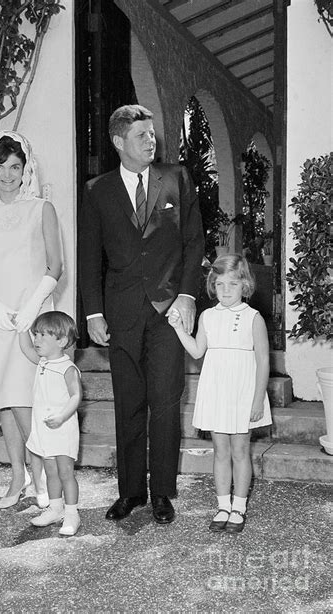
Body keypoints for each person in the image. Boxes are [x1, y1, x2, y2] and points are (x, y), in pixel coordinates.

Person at [79, 104, 205, 524]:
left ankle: (162, 493)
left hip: (170, 311)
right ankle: (131, 492)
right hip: (122, 312)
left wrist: (187, 296)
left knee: (166, 403)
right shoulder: (97, 190)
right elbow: (88, 258)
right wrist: (93, 313)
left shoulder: (177, 179)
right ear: (119, 142)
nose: (151, 141)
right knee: (129, 403)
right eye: (141, 136)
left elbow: (193, 243)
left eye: (152, 134)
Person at [0, 131, 63, 510]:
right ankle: (17, 477)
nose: (7, 174)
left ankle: (41, 477)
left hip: (33, 315)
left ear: (26, 169)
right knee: (6, 400)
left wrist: (29, 310)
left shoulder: (42, 208)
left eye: (14, 167)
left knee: (27, 398)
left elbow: (56, 265)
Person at [168, 253, 272, 533]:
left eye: (233, 284)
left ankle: (239, 506)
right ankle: (223, 505)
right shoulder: (207, 317)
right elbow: (197, 351)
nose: (226, 290)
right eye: (220, 284)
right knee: (220, 451)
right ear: (213, 285)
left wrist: (257, 398)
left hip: (243, 391)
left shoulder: (253, 318)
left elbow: (263, 360)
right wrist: (179, 329)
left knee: (240, 450)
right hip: (216, 390)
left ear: (245, 285)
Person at [19, 311, 83, 536]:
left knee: (66, 472)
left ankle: (72, 513)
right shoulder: (43, 362)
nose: (36, 340)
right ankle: (55, 509)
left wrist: (62, 416)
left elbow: (76, 396)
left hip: (62, 428)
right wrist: (21, 328)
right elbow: (26, 349)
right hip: (45, 429)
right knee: (51, 471)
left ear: (62, 341)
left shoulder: (68, 368)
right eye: (36, 334)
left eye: (43, 336)